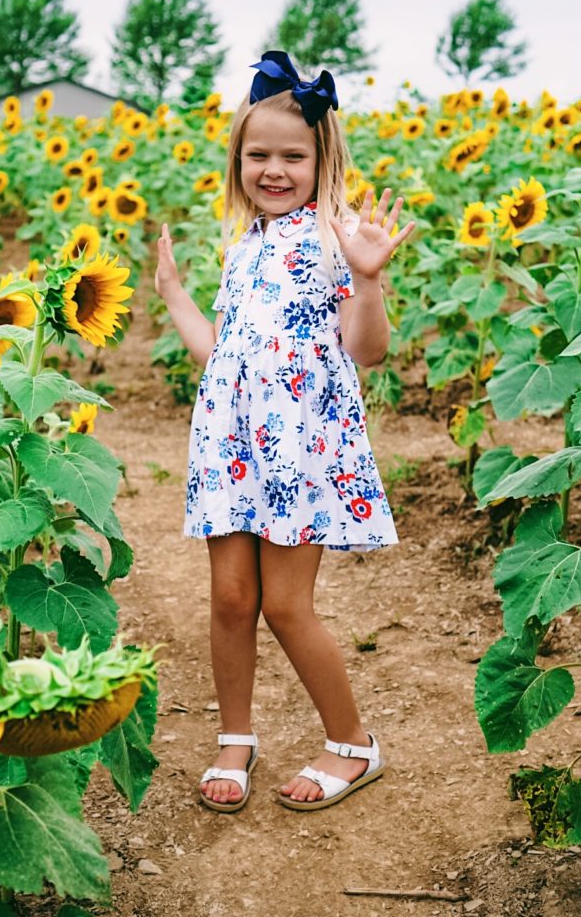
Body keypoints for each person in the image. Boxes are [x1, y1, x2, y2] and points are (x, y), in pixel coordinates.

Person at [154, 50, 415, 813]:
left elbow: (367, 352)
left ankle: (353, 745)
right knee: (231, 597)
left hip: (299, 447)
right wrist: (174, 299)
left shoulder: (338, 239)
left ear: (321, 159)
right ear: (237, 161)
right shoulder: (243, 249)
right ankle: (236, 737)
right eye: (257, 154)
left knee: (285, 605)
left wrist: (367, 278)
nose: (273, 169)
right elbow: (224, 354)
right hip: (231, 444)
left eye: (292, 156)